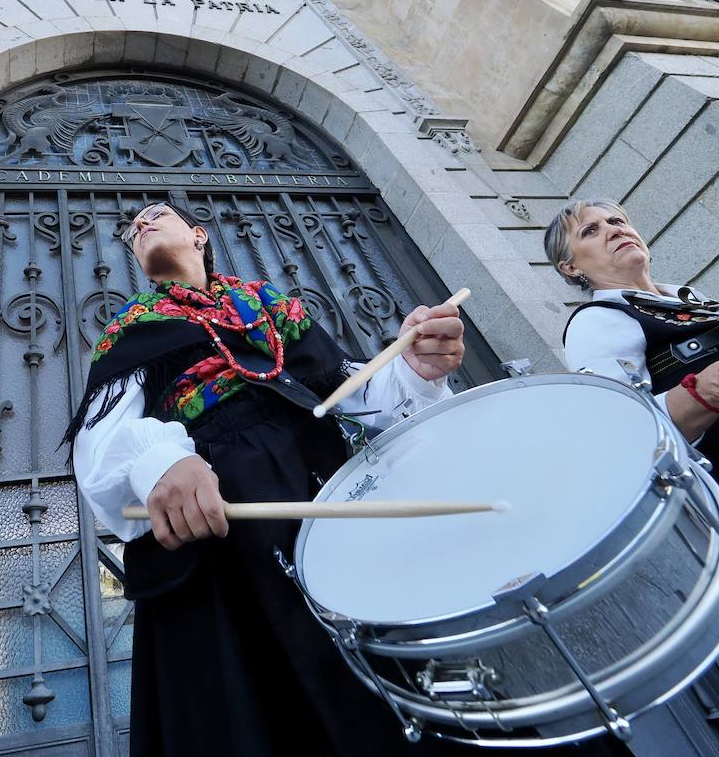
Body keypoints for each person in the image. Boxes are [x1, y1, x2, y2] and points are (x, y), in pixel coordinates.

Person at [69, 200, 471, 756]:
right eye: (132, 229)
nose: (140, 225)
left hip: (328, 498)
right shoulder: (129, 331)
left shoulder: (270, 306)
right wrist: (161, 461)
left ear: (199, 235)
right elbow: (103, 441)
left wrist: (415, 371)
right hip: (221, 527)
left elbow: (343, 394)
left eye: (155, 214)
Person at [548, 198, 719, 629]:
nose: (614, 229)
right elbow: (621, 436)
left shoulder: (698, 302)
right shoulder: (597, 322)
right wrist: (706, 391)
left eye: (617, 220)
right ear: (570, 268)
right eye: (591, 231)